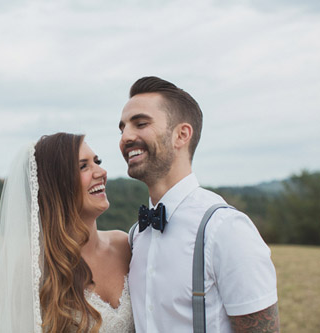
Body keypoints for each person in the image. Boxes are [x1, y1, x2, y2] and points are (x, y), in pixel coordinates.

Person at [119, 76, 279, 332]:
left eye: (140, 123)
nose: (126, 137)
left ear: (181, 135)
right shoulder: (136, 235)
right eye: (123, 128)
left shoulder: (226, 229)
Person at [0, 132, 134, 333]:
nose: (101, 172)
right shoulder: (35, 267)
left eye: (97, 161)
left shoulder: (124, 245)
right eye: (83, 166)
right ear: (58, 184)